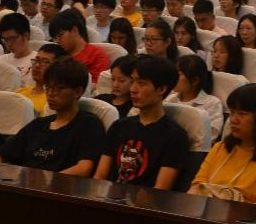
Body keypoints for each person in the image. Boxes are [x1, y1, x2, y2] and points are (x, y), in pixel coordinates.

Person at [0, 58, 105, 175]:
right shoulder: (38, 125)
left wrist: (48, 182)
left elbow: (84, 168)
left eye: (59, 88)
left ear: (77, 91)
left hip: (60, 184)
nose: (51, 93)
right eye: (48, 87)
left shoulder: (89, 124)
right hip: (25, 183)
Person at [188, 83, 256, 205]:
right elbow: (197, 187)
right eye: (232, 112)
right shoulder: (220, 148)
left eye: (242, 114)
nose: (233, 120)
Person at [94, 56, 189, 190]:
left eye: (142, 83)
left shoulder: (174, 136)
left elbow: (161, 189)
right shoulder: (119, 126)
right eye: (132, 81)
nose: (133, 89)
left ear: (161, 89)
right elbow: (99, 177)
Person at [167, 55, 223, 142]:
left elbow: (210, 135)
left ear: (195, 80)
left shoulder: (212, 103)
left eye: (179, 74)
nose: (173, 78)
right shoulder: (170, 99)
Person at [50, 11, 110, 84]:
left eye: (60, 35)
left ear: (74, 30)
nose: (58, 41)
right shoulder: (56, 54)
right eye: (55, 38)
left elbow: (95, 85)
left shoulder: (96, 56)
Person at [16, 44, 64, 113]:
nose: (37, 65)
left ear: (57, 67)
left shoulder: (52, 100)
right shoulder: (20, 92)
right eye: (36, 60)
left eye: (45, 62)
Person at [0, 14, 34, 87]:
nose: (9, 44)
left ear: (26, 35)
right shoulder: (0, 60)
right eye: (5, 39)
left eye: (12, 38)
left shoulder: (36, 62)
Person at [96, 55, 137, 119]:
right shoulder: (101, 99)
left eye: (121, 80)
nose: (115, 85)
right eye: (113, 79)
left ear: (133, 80)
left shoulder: (134, 108)